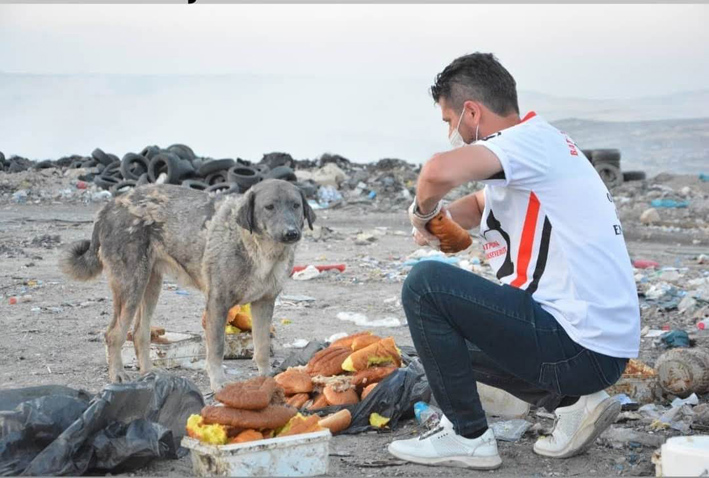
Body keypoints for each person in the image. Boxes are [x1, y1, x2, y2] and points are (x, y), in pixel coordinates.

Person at [387, 52, 640, 470]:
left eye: (450, 121)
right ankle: (575, 403)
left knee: (425, 284)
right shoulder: (542, 150)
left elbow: (435, 173)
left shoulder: (525, 143)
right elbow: (476, 206)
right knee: (441, 344)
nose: (453, 132)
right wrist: (439, 223)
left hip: (578, 345)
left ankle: (468, 438)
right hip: (596, 350)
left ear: (472, 112)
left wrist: (421, 211)